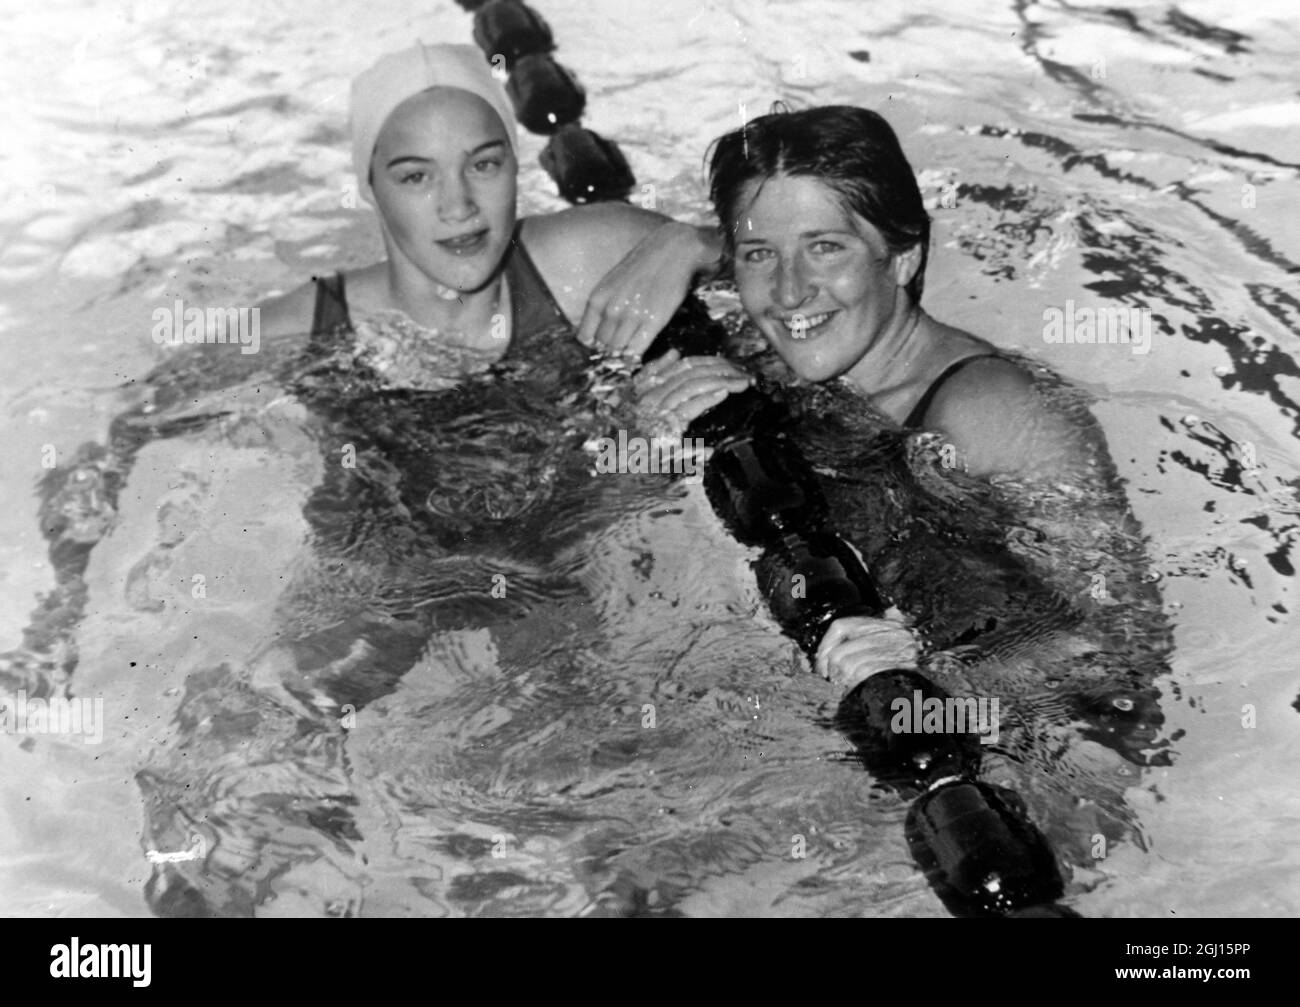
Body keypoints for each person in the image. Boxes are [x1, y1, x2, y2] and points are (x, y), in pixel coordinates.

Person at [632, 105, 1121, 693]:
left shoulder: (987, 411)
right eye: (759, 254)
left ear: (905, 257)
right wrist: (659, 450)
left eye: (827, 248)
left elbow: (1121, 649)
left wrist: (947, 672)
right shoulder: (768, 361)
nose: (789, 292)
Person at [257, 43, 721, 379]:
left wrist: (691, 243)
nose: (458, 207)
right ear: (370, 187)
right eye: (416, 176)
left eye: (483, 165)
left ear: (515, 166)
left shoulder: (591, 253)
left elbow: (774, 259)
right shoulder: (300, 328)